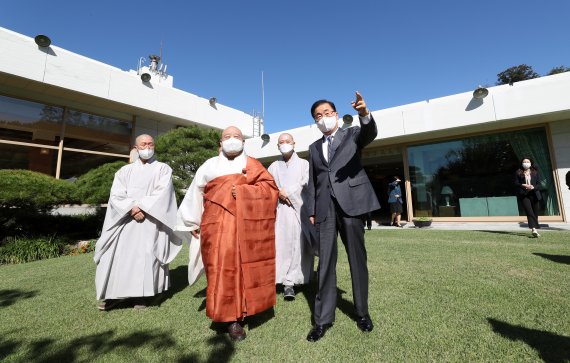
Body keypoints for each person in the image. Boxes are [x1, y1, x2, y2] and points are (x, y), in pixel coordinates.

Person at [176, 126, 279, 342]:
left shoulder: (253, 164)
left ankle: (236, 317)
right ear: (220, 143)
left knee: (241, 269)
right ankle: (224, 312)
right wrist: (192, 221)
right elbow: (196, 193)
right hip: (215, 226)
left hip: (245, 228)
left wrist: (243, 191)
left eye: (237, 137)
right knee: (219, 269)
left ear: (243, 142)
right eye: (227, 137)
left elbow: (270, 190)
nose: (232, 140)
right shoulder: (209, 165)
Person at [305, 91, 381, 342]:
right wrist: (313, 211)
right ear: (314, 121)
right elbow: (314, 182)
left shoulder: (352, 134)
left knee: (357, 260)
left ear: (336, 115)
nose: (323, 118)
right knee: (325, 263)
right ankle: (322, 320)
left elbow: (369, 133)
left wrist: (363, 114)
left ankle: (362, 313)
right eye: (318, 116)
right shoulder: (314, 148)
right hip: (326, 209)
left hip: (352, 205)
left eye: (327, 113)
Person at [94, 134, 182, 310]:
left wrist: (142, 207)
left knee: (146, 256)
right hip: (125, 221)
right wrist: (132, 209)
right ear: (136, 147)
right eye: (143, 144)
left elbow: (162, 193)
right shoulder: (124, 171)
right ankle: (115, 295)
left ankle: (142, 296)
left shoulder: (163, 169)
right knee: (118, 257)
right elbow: (116, 195)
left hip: (150, 221)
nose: (147, 147)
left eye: (150, 144)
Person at [268, 133, 314, 301]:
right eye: (281, 142)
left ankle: (291, 282)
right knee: (281, 244)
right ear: (277, 146)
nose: (284, 144)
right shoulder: (273, 166)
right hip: (280, 211)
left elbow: (306, 182)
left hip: (298, 209)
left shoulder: (304, 164)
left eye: (287, 141)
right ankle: (279, 278)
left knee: (298, 244)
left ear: (294, 143)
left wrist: (289, 192)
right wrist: (278, 193)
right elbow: (268, 185)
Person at [514, 157, 542, 237]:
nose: (526, 163)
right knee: (529, 212)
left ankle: (534, 228)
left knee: (535, 213)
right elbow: (516, 183)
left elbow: (539, 185)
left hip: (535, 194)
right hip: (524, 195)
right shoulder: (518, 172)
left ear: (530, 163)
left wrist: (533, 187)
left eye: (527, 161)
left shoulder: (535, 172)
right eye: (524, 161)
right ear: (522, 163)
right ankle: (534, 229)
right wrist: (523, 185)